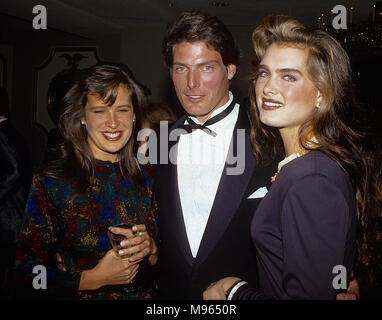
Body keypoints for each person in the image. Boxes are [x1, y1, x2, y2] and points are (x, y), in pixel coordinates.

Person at [203, 15, 382, 300]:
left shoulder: (312, 179)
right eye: (265, 73)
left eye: (289, 76)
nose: (268, 88)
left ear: (321, 93)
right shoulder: (300, 165)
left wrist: (234, 291)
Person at [152, 10, 277, 300]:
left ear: (230, 70)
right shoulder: (158, 143)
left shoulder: (270, 138)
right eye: (181, 68)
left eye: (206, 68)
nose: (191, 83)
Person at [13, 63, 159, 300]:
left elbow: (172, 260)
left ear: (134, 116)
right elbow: (24, 273)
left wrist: (152, 249)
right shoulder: (52, 183)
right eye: (99, 111)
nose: (113, 123)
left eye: (122, 110)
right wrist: (92, 279)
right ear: (82, 117)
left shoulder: (149, 176)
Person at [0, 86, 32, 299]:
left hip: (8, 221)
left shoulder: (2, 134)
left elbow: (14, 172)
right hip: (14, 218)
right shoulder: (11, 131)